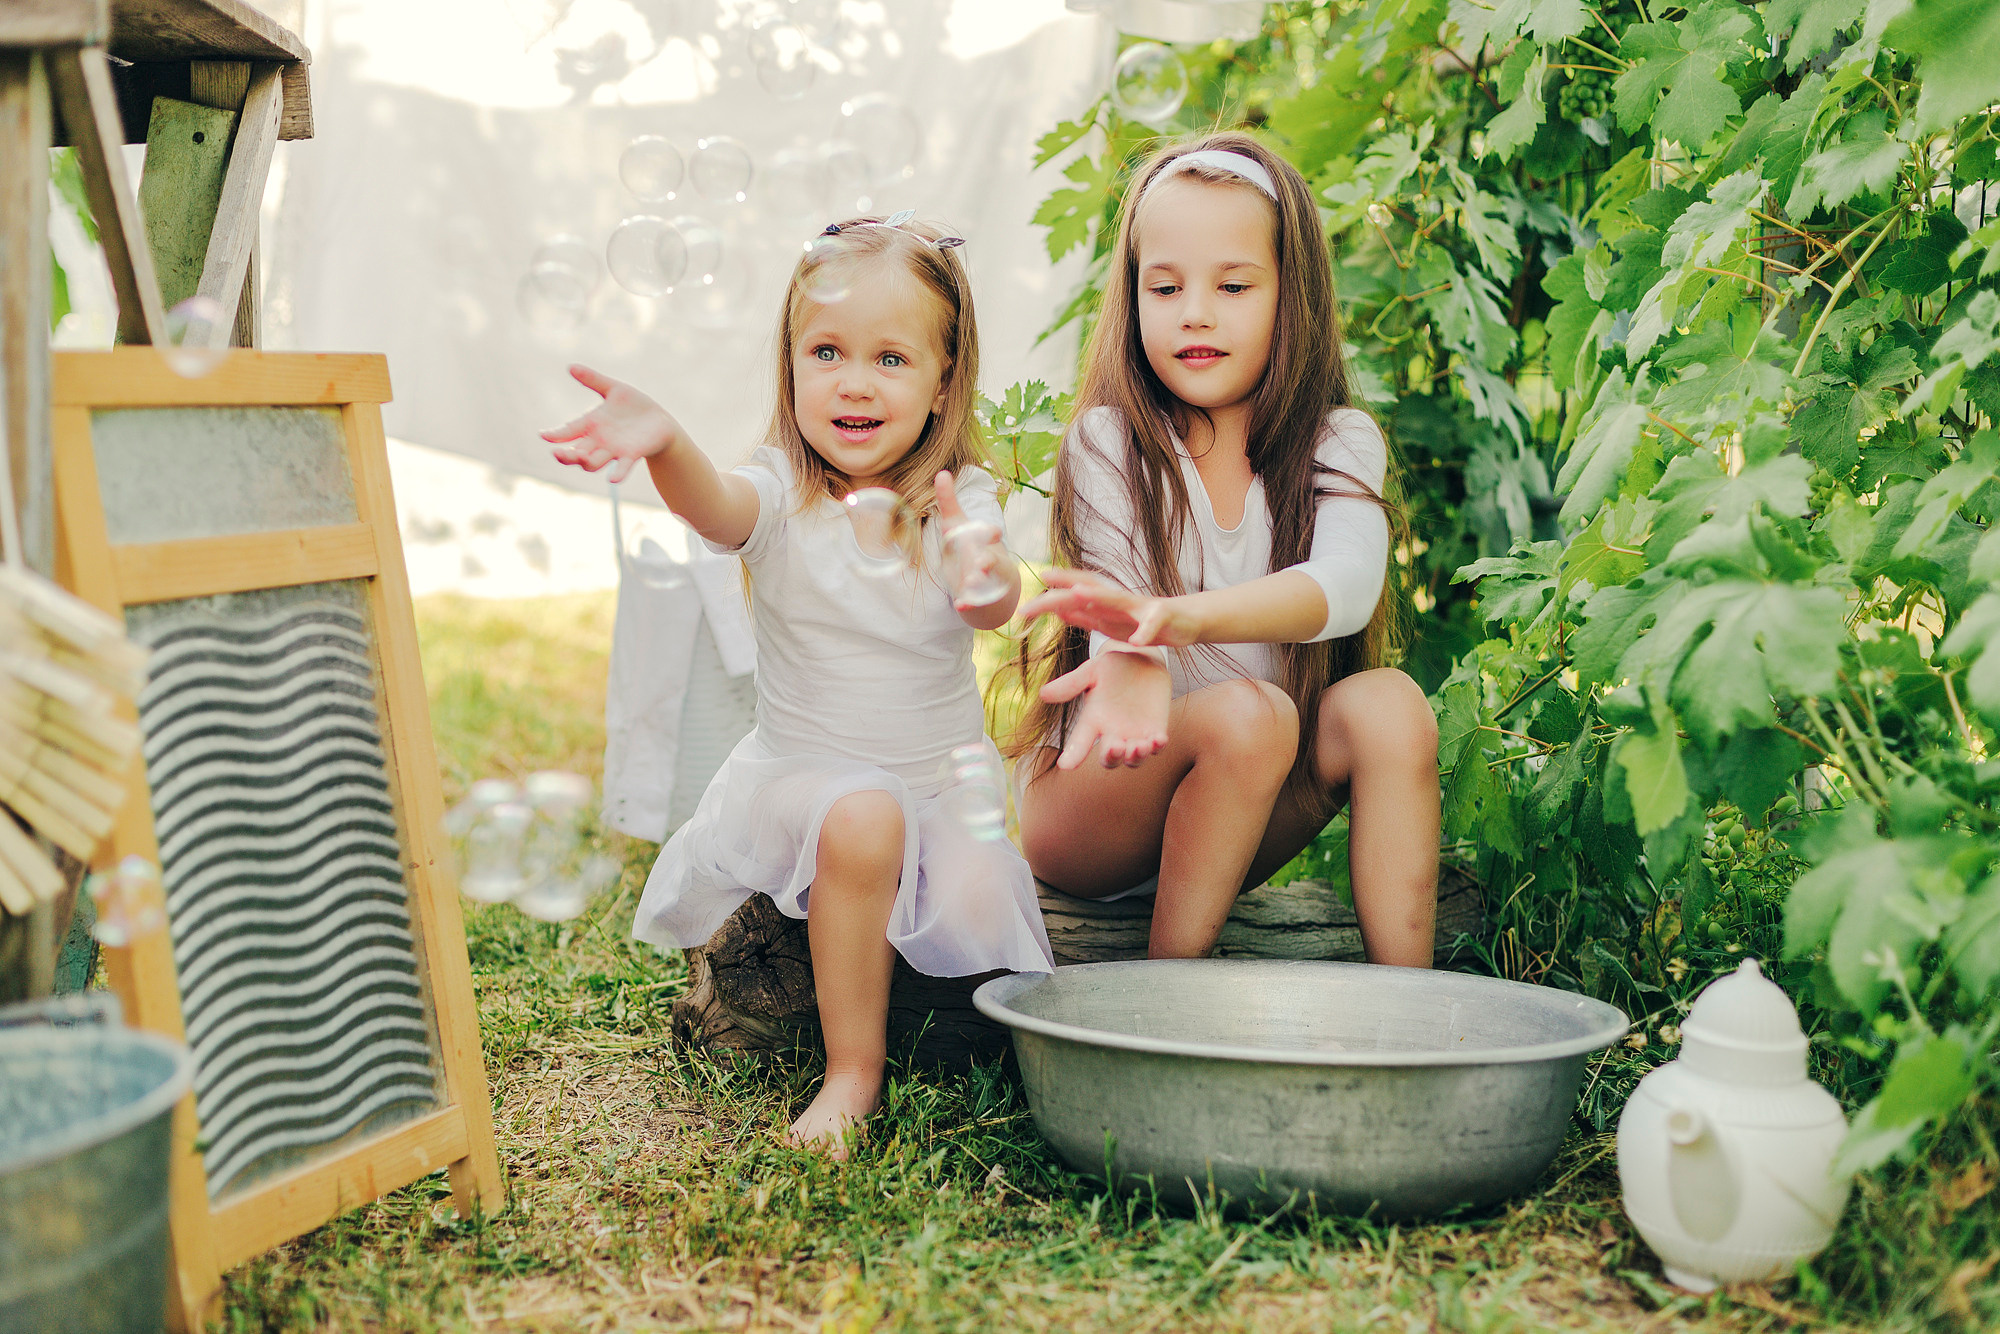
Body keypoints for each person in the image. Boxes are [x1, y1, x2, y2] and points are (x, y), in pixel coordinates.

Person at [546, 213, 1053, 1155]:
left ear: (945, 383)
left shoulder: (956, 498)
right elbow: (718, 509)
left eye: (891, 359)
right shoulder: (782, 486)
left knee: (978, 899)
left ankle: (956, 1029)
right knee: (862, 817)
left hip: (940, 789)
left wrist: (981, 571)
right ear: (789, 365)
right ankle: (851, 1072)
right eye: (826, 350)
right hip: (801, 779)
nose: (853, 381)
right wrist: (667, 446)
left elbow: (990, 599)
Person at [1009, 133, 1440, 966]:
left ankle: (1409, 1006)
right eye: (1163, 286)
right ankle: (1170, 1000)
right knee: (1251, 714)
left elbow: (1347, 587)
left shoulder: (1339, 441)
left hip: (1241, 805)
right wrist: (1143, 643)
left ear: (1293, 296)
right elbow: (1119, 628)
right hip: (1096, 807)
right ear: (1131, 298)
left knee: (1388, 705)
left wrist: (1179, 619)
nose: (1194, 311)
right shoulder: (1112, 441)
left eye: (1233, 285)